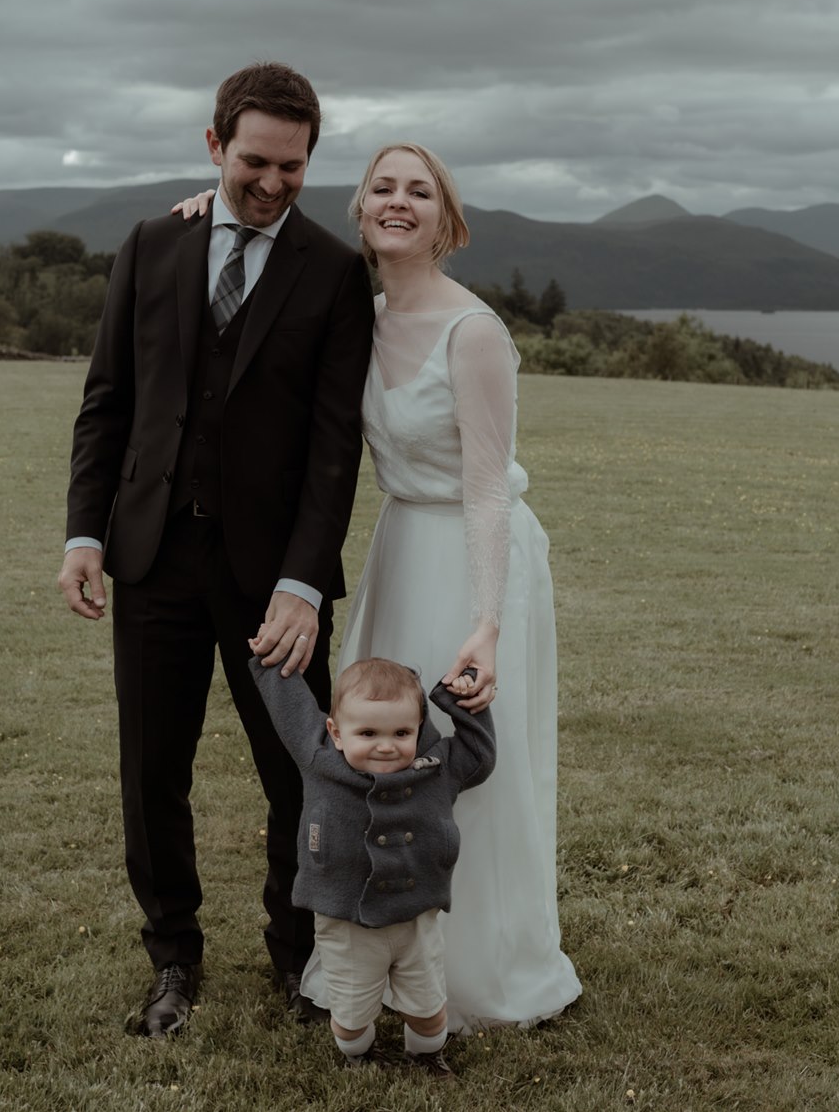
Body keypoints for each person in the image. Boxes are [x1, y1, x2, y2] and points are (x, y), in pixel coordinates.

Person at [174, 142, 582, 1031]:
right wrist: (202, 215)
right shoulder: (354, 312)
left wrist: (486, 621)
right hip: (402, 546)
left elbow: (484, 486)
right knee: (379, 754)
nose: (399, 201)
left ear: (447, 219)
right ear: (357, 210)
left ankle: (474, 967)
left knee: (462, 760)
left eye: (420, 191)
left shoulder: (473, 332)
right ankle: (379, 950)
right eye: (383, 187)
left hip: (479, 558)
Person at [59, 61, 375, 1038]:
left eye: (291, 165)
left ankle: (295, 954)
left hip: (270, 581)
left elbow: (333, 446)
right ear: (213, 147)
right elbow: (108, 399)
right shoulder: (153, 245)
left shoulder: (331, 272)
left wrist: (300, 585)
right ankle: (173, 959)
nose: (272, 182)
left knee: (299, 774)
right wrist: (82, 529)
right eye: (253, 162)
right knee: (152, 772)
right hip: (149, 556)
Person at [247, 653, 494, 1077]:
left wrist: (461, 703)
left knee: (429, 1010)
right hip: (347, 925)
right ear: (336, 733)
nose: (385, 745)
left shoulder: (436, 768)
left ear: (419, 729)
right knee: (351, 1015)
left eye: (401, 732)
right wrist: (271, 661)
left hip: (417, 919)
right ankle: (359, 1053)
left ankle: (427, 1054)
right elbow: (291, 709)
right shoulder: (319, 760)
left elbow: (480, 755)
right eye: (367, 732)